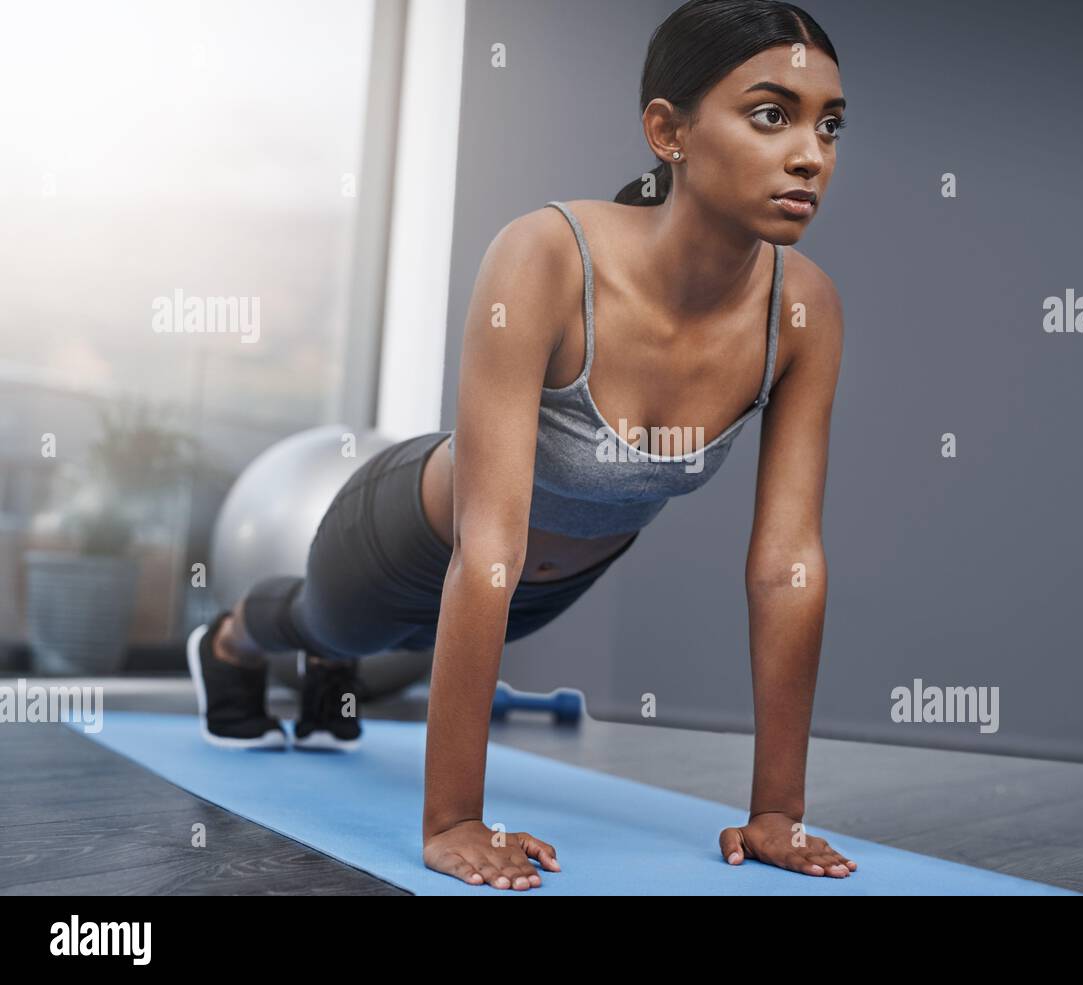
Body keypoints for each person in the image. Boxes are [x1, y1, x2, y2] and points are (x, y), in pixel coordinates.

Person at [187, 0, 850, 890]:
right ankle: (230, 642)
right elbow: (488, 542)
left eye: (829, 125)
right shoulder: (547, 255)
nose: (811, 153)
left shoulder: (804, 309)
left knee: (383, 646)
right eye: (772, 115)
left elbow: (786, 563)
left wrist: (778, 811)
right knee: (327, 621)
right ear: (669, 130)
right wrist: (456, 817)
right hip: (410, 540)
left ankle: (328, 672)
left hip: (548, 587)